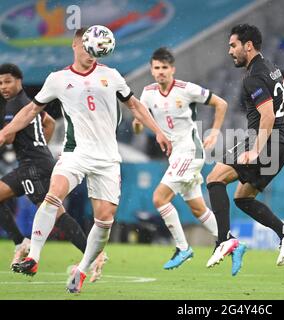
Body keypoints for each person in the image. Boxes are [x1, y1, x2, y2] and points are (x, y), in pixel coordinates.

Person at [0, 28, 171, 294]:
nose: (93, 52)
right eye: (88, 46)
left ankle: (81, 270)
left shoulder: (111, 76)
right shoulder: (58, 79)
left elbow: (135, 105)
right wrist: (6, 131)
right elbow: (32, 110)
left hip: (107, 158)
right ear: (76, 45)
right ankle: (33, 256)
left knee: (104, 220)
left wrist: (158, 130)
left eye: (99, 47)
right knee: (53, 195)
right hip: (75, 152)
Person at [205, 24, 284, 276]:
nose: (230, 51)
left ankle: (223, 240)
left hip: (267, 142)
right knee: (243, 198)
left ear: (248, 45)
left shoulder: (253, 77)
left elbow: (267, 114)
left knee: (214, 179)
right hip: (281, 145)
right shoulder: (272, 68)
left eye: (233, 45)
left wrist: (255, 150)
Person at [0, 63, 107, 282]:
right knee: (51, 212)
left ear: (19, 81)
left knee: (54, 214)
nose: (3, 86)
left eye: (8, 81)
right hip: (34, 163)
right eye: (0, 82)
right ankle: (22, 242)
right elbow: (48, 122)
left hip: (32, 166)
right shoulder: (28, 103)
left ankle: (94, 255)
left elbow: (8, 137)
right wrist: (42, 147)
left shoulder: (13, 106)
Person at [132, 47, 227, 269]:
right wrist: (138, 124)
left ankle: (184, 248)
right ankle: (229, 240)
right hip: (176, 156)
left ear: (172, 69)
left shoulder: (186, 89)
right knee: (198, 209)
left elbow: (221, 103)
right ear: (151, 70)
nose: (161, 72)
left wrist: (214, 131)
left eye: (165, 68)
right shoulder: (147, 93)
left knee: (159, 198)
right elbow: (139, 125)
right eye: (157, 68)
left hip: (190, 151)